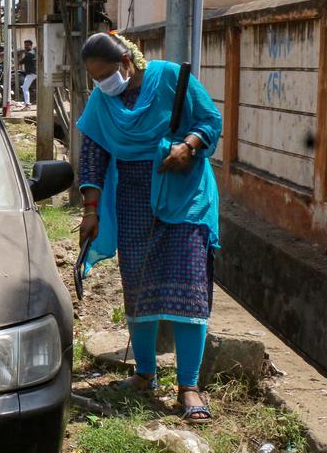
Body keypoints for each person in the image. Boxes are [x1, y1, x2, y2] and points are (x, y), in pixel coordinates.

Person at [75, 32, 222, 423]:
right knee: (138, 288)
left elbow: (210, 119)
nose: (104, 84)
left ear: (127, 62)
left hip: (185, 197)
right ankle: (145, 374)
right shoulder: (102, 101)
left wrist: (188, 146)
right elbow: (93, 155)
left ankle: (189, 386)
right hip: (134, 201)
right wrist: (91, 210)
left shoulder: (171, 78)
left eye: (107, 74)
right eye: (96, 78)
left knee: (189, 291)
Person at [20, 39, 38, 109]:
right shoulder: (32, 52)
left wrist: (15, 64)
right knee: (28, 87)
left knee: (25, 88)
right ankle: (27, 103)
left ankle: (27, 104)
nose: (25, 46)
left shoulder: (30, 53)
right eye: (25, 45)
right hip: (33, 73)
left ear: (31, 45)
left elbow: (22, 61)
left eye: (27, 45)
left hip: (31, 73)